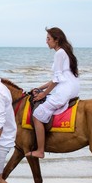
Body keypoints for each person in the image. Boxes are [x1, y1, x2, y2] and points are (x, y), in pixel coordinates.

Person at [26, 27, 80, 159]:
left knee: (37, 114)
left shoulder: (59, 54)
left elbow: (56, 80)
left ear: (56, 40)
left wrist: (43, 94)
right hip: (72, 87)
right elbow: (58, 78)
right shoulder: (64, 52)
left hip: (64, 90)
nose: (46, 42)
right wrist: (40, 88)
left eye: (48, 39)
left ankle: (40, 150)